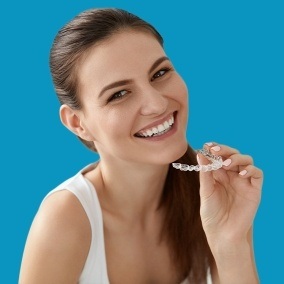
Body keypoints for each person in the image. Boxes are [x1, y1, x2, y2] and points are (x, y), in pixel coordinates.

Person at [19, 8, 263, 284]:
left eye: (160, 73)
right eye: (119, 94)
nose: (157, 104)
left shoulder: (213, 194)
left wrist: (232, 245)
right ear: (77, 122)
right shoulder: (65, 219)